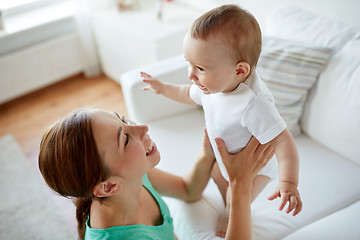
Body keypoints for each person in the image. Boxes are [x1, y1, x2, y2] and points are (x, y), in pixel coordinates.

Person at [141, 4, 302, 237]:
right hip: (225, 156)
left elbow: (283, 142)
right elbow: (186, 93)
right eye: (188, 63)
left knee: (236, 197)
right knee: (218, 177)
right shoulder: (213, 85)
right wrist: (163, 88)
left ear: (239, 71)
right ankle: (227, 197)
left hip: (255, 169)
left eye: (200, 68)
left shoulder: (253, 103)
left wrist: (289, 183)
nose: (190, 74)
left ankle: (230, 214)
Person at [38, 108, 274, 240]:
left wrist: (207, 154)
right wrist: (240, 184)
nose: (142, 127)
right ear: (108, 187)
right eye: (126, 138)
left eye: (122, 118)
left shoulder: (133, 180)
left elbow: (187, 190)